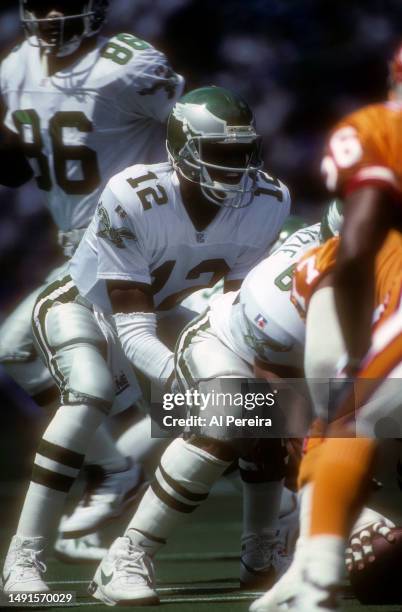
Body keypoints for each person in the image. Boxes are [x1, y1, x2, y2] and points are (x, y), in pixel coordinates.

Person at [2, 85, 290, 595]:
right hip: (85, 306)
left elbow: (235, 311)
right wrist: (192, 388)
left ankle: (261, 552)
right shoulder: (135, 193)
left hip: (165, 311)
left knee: (253, 405)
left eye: (243, 151)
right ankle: (24, 557)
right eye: (219, 152)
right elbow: (132, 330)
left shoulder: (268, 199)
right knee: (89, 392)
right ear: (182, 148)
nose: (235, 165)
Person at [0, 0, 185, 560]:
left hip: (128, 241)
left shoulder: (127, 64)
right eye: (40, 2)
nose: (51, 14)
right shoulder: (17, 66)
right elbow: (14, 169)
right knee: (181, 394)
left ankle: (111, 473)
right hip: (82, 245)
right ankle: (265, 467)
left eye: (64, 0)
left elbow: (198, 135)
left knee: (21, 351)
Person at [251, 42, 402, 612]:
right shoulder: (292, 267)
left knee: (342, 422)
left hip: (328, 342)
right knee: (210, 423)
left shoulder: (375, 141)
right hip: (232, 346)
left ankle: (311, 578)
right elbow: (266, 365)